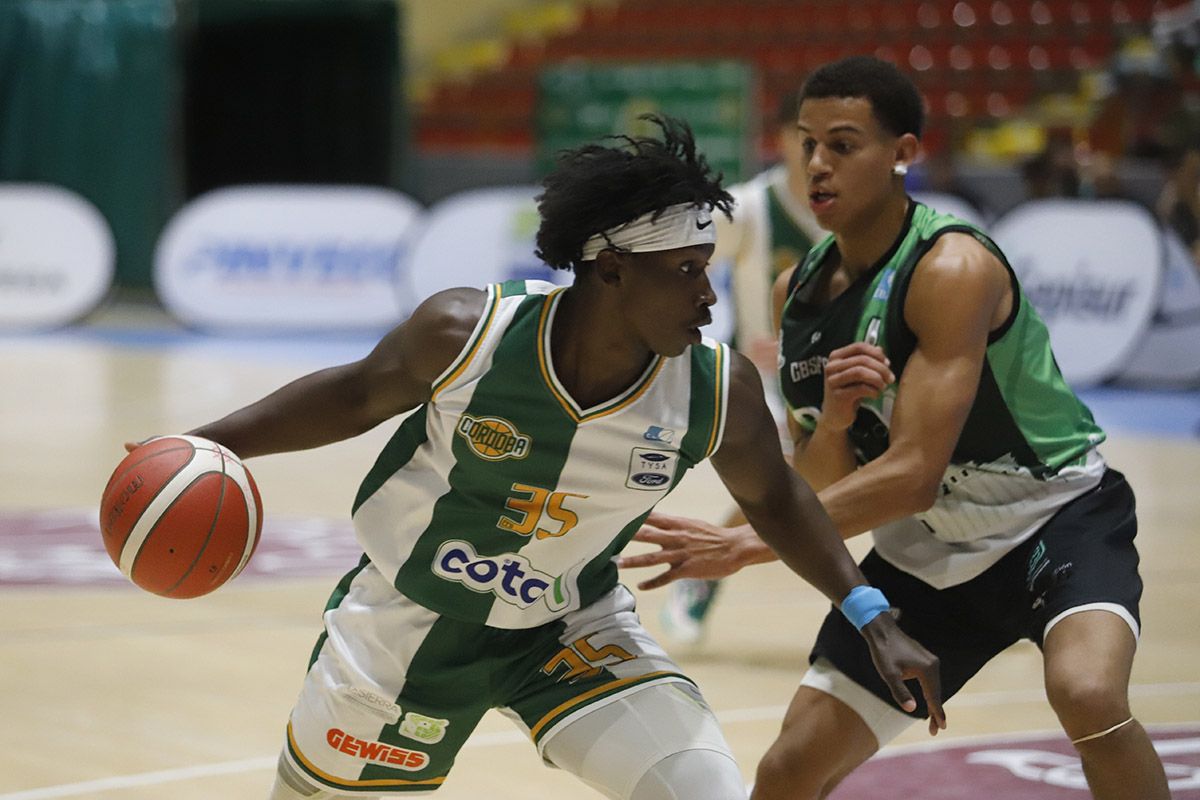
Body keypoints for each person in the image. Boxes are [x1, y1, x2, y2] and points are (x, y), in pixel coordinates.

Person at [137, 116, 942, 800]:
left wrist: (869, 615)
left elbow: (776, 499)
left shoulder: (713, 387)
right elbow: (349, 397)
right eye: (689, 273)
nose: (709, 298)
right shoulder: (467, 334)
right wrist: (205, 444)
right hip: (407, 628)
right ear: (613, 270)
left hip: (568, 627)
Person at [620, 58, 1170, 800]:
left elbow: (911, 475)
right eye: (807, 143)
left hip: (1053, 519)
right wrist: (837, 421)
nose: (816, 164)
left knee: (1089, 696)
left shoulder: (951, 267)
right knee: (789, 770)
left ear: (904, 153)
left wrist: (747, 545)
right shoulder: (801, 291)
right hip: (927, 552)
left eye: (843, 145)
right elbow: (821, 481)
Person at [660, 88, 826, 646]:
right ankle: (704, 572)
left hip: (849, 383)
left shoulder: (865, 213)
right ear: (781, 139)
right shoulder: (751, 209)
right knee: (788, 479)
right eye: (805, 139)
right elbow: (674, 258)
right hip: (769, 386)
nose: (818, 153)